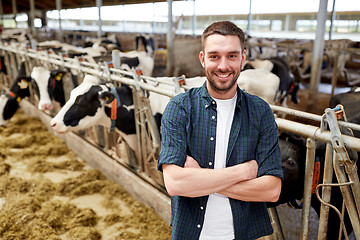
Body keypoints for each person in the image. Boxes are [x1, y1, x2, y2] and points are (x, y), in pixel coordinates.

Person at [157, 21, 283, 240]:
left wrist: (198, 180)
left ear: (243, 58)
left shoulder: (260, 111)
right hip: (190, 233)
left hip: (242, 234)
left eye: (231, 56)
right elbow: (176, 184)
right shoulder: (180, 108)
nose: (223, 66)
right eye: (214, 56)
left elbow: (271, 191)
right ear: (202, 58)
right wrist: (244, 172)